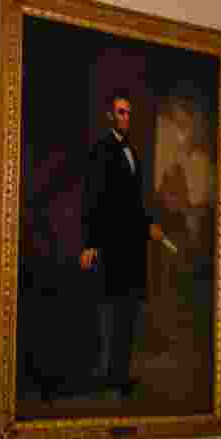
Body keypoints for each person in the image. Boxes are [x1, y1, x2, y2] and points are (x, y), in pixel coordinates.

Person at [80, 90, 164, 397]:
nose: (125, 117)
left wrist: (149, 224)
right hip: (111, 245)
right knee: (109, 313)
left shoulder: (133, 152)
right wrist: (90, 242)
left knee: (128, 312)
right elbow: (93, 198)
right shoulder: (102, 150)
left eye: (128, 112)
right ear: (109, 115)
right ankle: (105, 378)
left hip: (132, 248)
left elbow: (135, 203)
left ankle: (121, 376)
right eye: (120, 112)